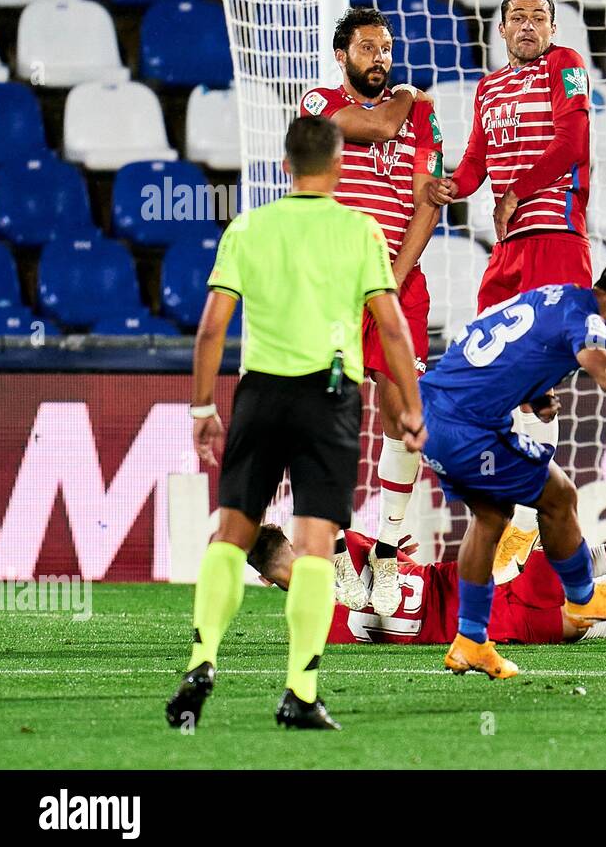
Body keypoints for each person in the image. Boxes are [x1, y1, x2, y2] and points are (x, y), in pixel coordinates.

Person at [165, 117, 424, 730]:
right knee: (314, 547)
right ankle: (300, 691)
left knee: (232, 532)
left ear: (284, 167)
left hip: (260, 394)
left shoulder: (249, 227)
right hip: (327, 397)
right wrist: (410, 407)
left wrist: (203, 409)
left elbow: (209, 329)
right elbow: (392, 327)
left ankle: (202, 660)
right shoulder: (361, 231)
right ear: (338, 169)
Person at [418, 256, 606, 679]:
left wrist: (534, 395)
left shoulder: (555, 297)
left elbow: (503, 351)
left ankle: (470, 641)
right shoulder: (587, 317)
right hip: (465, 426)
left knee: (491, 517)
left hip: (432, 414)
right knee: (558, 495)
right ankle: (583, 596)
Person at [424, 0, 595, 569]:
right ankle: (517, 519)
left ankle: (539, 521)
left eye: (538, 18)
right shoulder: (489, 88)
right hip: (508, 247)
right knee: (495, 369)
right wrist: (450, 185)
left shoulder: (567, 66)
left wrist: (519, 190)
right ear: (500, 30)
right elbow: (476, 162)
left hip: (554, 233)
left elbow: (572, 143)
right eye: (516, 18)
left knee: (542, 373)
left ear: (552, 26)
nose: (527, 26)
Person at [300, 7, 444, 618]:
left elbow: (426, 203)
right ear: (342, 56)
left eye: (385, 46)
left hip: (397, 282)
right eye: (365, 48)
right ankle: (334, 551)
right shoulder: (318, 103)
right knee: (324, 417)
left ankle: (385, 557)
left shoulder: (423, 114)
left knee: (402, 414)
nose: (379, 56)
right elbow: (381, 128)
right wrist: (408, 99)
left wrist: (397, 276)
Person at [247, 526, 606, 648]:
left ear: (269, 581)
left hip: (474, 621)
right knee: (585, 563)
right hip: (468, 581)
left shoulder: (311, 627)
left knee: (584, 624)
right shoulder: (346, 545)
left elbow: (377, 625)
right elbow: (389, 563)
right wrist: (397, 557)